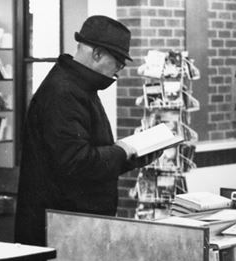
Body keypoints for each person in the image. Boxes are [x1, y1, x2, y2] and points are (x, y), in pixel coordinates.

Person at [15, 15, 152, 247]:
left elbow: (88, 153)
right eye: (117, 63)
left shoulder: (77, 87)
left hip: (71, 226)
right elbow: (76, 162)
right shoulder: (64, 92)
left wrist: (133, 156)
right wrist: (121, 152)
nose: (117, 72)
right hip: (62, 231)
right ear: (97, 54)